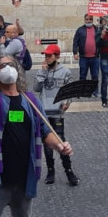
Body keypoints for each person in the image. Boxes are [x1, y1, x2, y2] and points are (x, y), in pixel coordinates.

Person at [0, 55, 72, 217]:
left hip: (24, 178)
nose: (7, 68)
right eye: (2, 66)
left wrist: (59, 145)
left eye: (11, 64)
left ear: (18, 69)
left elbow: (44, 131)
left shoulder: (31, 101)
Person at [33, 44, 78, 186]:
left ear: (57, 56)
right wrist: (42, 73)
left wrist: (67, 102)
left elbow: (69, 90)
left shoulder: (65, 72)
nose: (47, 58)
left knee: (61, 141)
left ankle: (69, 170)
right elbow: (36, 88)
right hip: (44, 112)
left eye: (49, 55)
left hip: (57, 112)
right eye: (45, 55)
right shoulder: (42, 71)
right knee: (47, 144)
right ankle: (50, 170)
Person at [71, 13, 100, 84]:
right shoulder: (80, 30)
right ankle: (82, 92)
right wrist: (75, 53)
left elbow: (101, 40)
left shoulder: (97, 29)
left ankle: (95, 92)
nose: (88, 21)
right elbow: (75, 42)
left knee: (95, 76)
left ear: (92, 20)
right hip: (84, 58)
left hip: (95, 57)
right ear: (84, 20)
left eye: (90, 19)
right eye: (87, 19)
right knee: (82, 76)